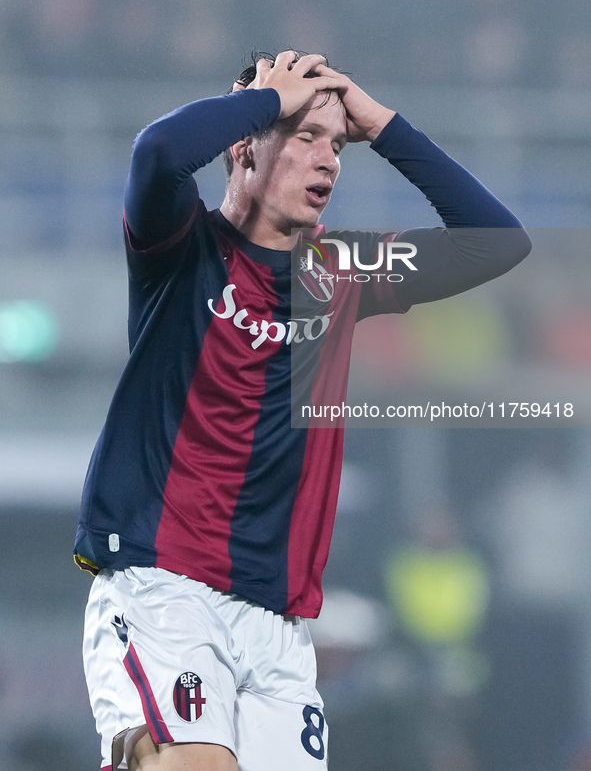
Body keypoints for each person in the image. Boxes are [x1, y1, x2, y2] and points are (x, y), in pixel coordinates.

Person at [75, 50, 531, 771]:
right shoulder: (180, 244)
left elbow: (496, 242)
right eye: (303, 135)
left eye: (336, 144)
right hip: (165, 583)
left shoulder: (341, 272)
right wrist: (264, 100)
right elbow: (158, 152)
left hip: (278, 623)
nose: (328, 161)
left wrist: (381, 126)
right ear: (243, 144)